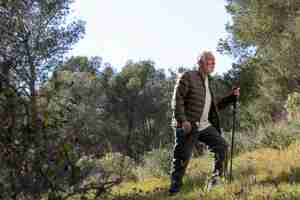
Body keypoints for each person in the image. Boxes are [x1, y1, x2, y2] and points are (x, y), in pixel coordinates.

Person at [169, 51, 240, 194]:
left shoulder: (208, 82)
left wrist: (231, 98)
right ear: (200, 63)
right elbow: (178, 100)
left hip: (204, 125)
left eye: (214, 62)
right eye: (209, 62)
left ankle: (216, 181)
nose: (212, 65)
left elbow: (213, 107)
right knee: (182, 157)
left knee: (222, 147)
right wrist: (183, 121)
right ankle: (175, 189)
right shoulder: (188, 76)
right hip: (189, 124)